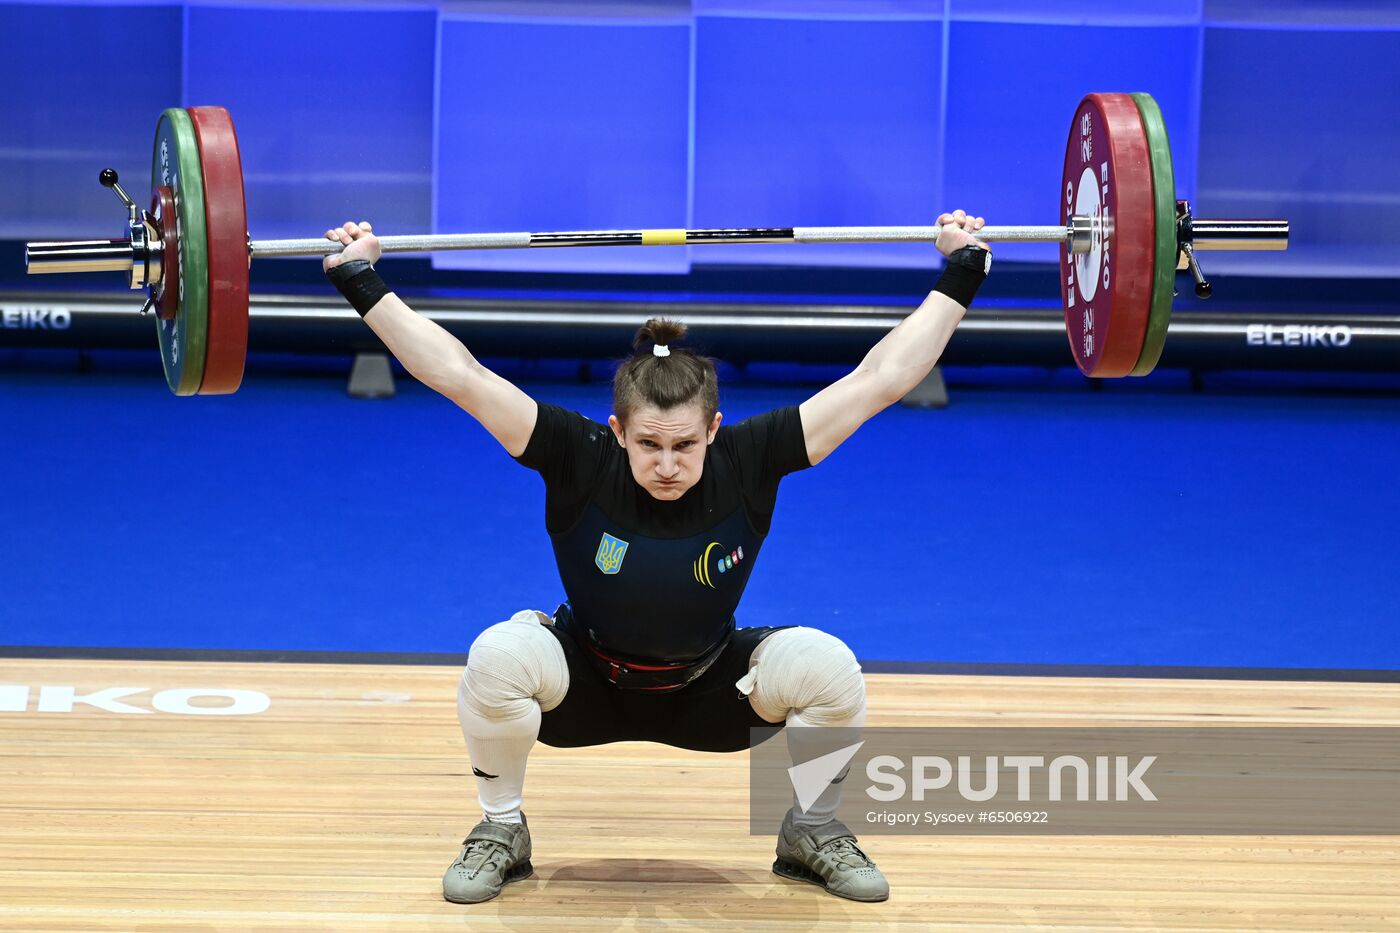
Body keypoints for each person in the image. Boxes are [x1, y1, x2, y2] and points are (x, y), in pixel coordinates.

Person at [321, 211, 990, 905]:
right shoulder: (576, 454)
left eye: (685, 446)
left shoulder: (752, 456)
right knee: (497, 655)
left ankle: (810, 830)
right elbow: (459, 374)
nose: (667, 465)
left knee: (830, 668)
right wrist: (362, 279)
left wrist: (962, 270)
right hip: (585, 684)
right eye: (648, 445)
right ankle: (501, 829)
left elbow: (879, 378)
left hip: (711, 692)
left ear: (714, 430)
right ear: (617, 431)